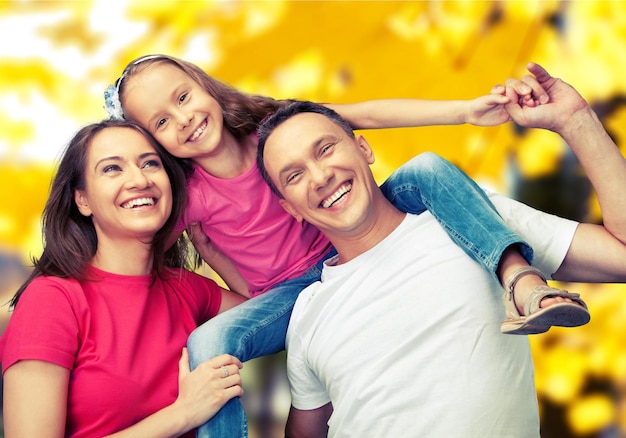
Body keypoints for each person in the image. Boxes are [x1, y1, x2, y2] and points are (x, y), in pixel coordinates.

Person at [107, 54, 588, 436]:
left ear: (205, 85)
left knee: (424, 169)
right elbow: (135, 248)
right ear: (155, 145)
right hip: (291, 297)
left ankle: (520, 281)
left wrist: (463, 111)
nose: (184, 119)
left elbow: (368, 114)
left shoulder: (273, 128)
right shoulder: (188, 194)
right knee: (208, 340)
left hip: (355, 235)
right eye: (162, 123)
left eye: (184, 97)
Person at [255, 62, 626, 436]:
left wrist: (576, 120)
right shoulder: (306, 310)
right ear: (290, 208)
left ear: (363, 147)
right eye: (294, 175)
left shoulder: (474, 221)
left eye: (325, 149)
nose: (320, 177)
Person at [0, 120, 248, 437]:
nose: (139, 179)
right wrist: (183, 413)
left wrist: (211, 251)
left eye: (150, 163)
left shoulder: (184, 288)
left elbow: (267, 313)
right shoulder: (52, 299)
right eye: (112, 169)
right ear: (83, 200)